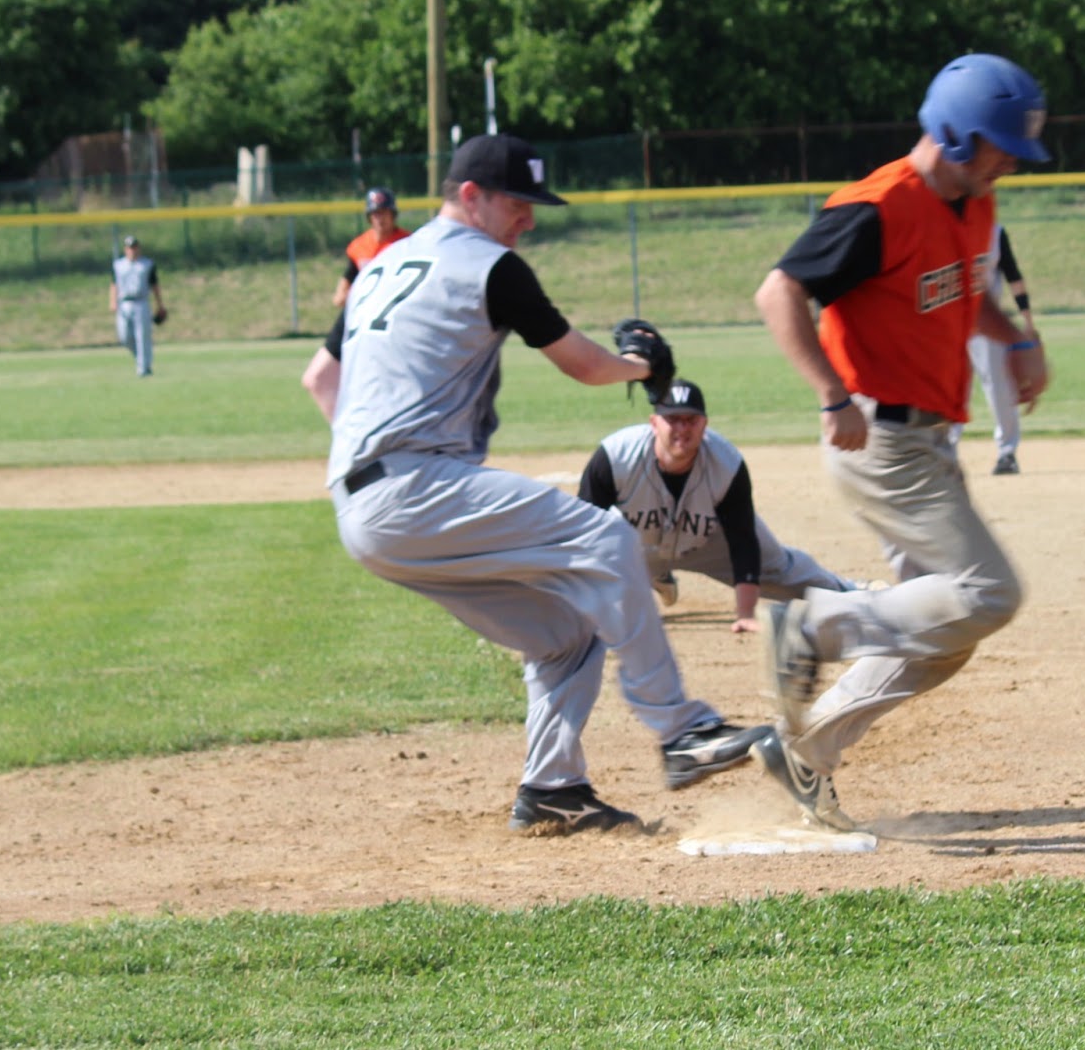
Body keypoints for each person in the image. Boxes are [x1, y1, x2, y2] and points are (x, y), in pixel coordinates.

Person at [326, 133, 769, 834]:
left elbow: (322, 378)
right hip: (416, 488)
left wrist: (368, 453)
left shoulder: (380, 265)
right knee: (605, 536)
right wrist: (643, 366)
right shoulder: (490, 264)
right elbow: (588, 366)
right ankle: (683, 731)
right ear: (470, 196)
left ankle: (554, 786)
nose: (528, 218)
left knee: (567, 634)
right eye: (517, 203)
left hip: (360, 507)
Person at [750, 52, 1052, 833]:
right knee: (991, 593)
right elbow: (779, 290)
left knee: (946, 634)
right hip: (878, 439)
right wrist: (830, 393)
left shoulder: (973, 206)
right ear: (955, 137)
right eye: (1000, 145)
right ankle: (811, 626)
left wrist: (1016, 338)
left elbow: (964, 294)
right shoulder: (877, 206)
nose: (1011, 161)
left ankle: (807, 751)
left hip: (931, 442)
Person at [577, 378, 869, 635]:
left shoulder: (726, 464)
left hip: (708, 544)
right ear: (654, 423)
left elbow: (743, 541)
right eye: (673, 419)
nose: (683, 428)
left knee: (781, 568)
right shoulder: (615, 456)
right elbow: (583, 535)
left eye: (691, 420)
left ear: (705, 423)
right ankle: (652, 574)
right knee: (608, 545)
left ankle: (855, 595)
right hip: (636, 545)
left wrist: (745, 615)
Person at [302, 188, 411, 419]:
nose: (380, 218)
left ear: (393, 215)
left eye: (384, 213)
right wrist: (342, 294)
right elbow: (344, 285)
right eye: (375, 214)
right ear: (369, 217)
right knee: (317, 379)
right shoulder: (359, 246)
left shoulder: (408, 243)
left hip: (394, 324)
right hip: (360, 319)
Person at [951, 225, 1037, 475]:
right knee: (951, 388)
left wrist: (1028, 322)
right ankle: (947, 450)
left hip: (989, 324)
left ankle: (1007, 452)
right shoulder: (941, 225)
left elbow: (1014, 277)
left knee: (999, 386)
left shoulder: (994, 232)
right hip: (949, 323)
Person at [110, 235, 165, 377]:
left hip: (141, 302)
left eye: (134, 247)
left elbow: (155, 285)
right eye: (129, 247)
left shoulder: (147, 264)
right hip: (124, 303)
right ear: (125, 249)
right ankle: (141, 358)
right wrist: (113, 301)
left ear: (138, 248)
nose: (132, 250)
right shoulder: (118, 265)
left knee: (142, 336)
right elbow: (114, 284)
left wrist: (160, 304)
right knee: (124, 337)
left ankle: (144, 368)